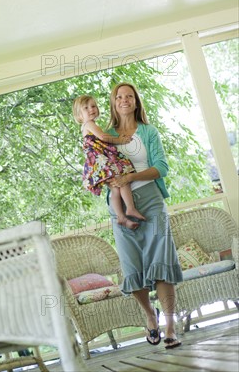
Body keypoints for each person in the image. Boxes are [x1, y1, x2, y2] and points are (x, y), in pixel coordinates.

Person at [105, 82, 183, 349]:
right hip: (120, 208)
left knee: (162, 260)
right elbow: (96, 167)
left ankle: (171, 326)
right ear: (113, 103)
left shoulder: (148, 132)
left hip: (151, 201)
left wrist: (132, 176)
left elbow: (161, 166)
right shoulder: (104, 135)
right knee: (132, 266)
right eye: (119, 97)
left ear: (136, 102)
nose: (124, 100)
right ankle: (151, 316)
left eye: (129, 96)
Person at [73, 95, 146, 229]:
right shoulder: (89, 124)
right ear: (79, 115)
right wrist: (120, 140)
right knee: (122, 178)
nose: (91, 109)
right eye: (86, 108)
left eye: (93, 106)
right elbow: (103, 136)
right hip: (103, 160)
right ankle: (130, 208)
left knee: (115, 189)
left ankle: (121, 217)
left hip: (100, 162)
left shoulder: (88, 125)